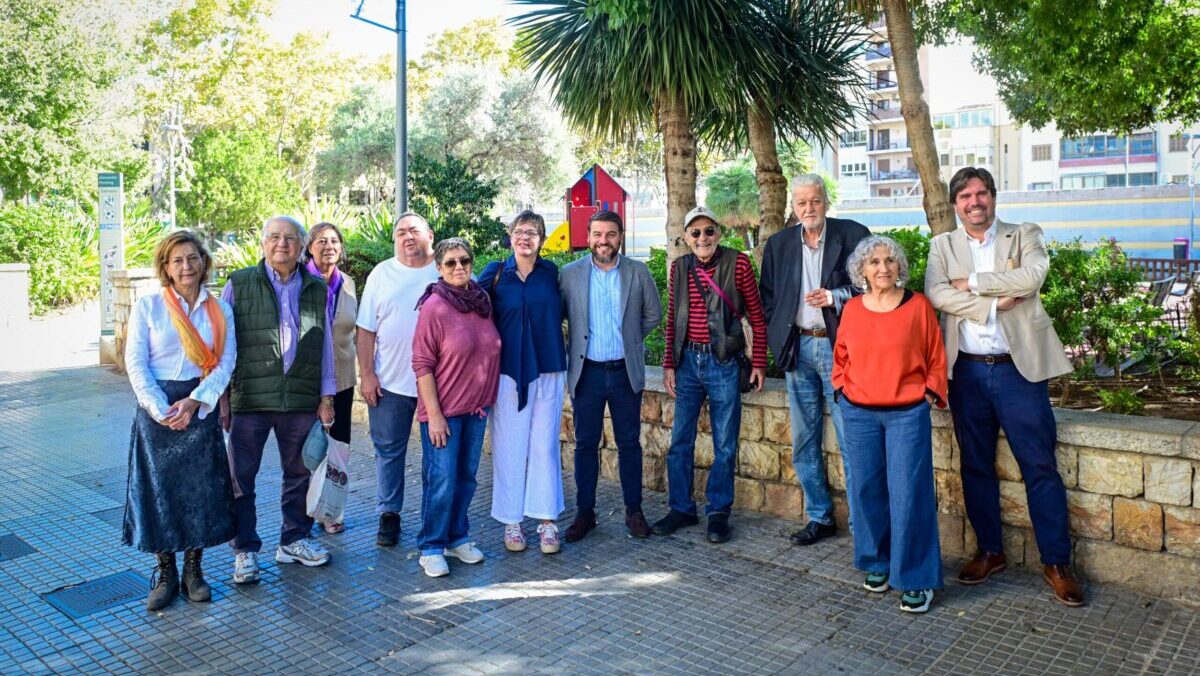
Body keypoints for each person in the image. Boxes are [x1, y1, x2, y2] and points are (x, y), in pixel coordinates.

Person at [925, 166, 1083, 607]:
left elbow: (1032, 278)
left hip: (1019, 372)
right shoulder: (942, 246)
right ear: (956, 204)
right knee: (975, 466)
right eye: (965, 197)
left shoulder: (1024, 233)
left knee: (1039, 466)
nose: (974, 203)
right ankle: (990, 551)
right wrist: (994, 305)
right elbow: (938, 294)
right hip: (968, 374)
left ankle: (1056, 562)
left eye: (981, 194)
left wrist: (973, 284)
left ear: (993, 197)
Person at [833, 235, 947, 614]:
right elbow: (841, 355)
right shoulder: (852, 309)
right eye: (874, 262)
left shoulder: (918, 307)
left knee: (908, 494)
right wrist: (840, 388)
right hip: (859, 413)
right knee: (865, 490)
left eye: (889, 261)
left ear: (900, 267)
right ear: (861, 270)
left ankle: (915, 578)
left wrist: (929, 394)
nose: (883, 268)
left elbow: (935, 355)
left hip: (906, 414)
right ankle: (876, 561)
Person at [123, 231, 236, 611]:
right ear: (165, 268)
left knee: (198, 493)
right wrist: (162, 409)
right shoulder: (149, 307)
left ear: (204, 262)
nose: (186, 266)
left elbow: (225, 363)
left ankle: (193, 571)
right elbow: (135, 363)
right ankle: (166, 572)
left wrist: (195, 402)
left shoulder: (219, 310)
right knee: (162, 493)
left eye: (192, 258)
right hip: (157, 412)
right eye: (177, 261)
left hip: (198, 406)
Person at [222, 215, 337, 584]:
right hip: (250, 398)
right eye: (274, 237)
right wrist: (223, 399)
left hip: (301, 399)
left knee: (299, 473)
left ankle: (294, 540)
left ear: (302, 245)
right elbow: (223, 348)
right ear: (262, 243)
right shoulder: (238, 284)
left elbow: (327, 346)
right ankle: (244, 551)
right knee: (241, 478)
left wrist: (327, 396)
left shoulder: (317, 288)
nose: (282, 244)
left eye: (290, 238)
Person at [759, 173, 869, 547]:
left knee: (850, 438)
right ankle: (820, 517)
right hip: (798, 349)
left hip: (840, 350)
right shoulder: (779, 244)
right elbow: (768, 297)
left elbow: (875, 285)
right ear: (794, 205)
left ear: (826, 201)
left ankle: (862, 525)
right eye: (802, 203)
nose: (809, 208)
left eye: (815, 201)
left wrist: (836, 296)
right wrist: (780, 339)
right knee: (805, 440)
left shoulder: (853, 235)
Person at [653, 206, 767, 544]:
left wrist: (758, 361)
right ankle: (681, 508)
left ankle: (718, 512)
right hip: (688, 363)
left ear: (718, 233)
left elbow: (756, 316)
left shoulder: (739, 263)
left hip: (724, 363)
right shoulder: (679, 267)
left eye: (708, 231)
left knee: (725, 444)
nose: (702, 238)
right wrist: (669, 364)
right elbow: (674, 318)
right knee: (680, 442)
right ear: (686, 238)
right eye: (695, 233)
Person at [560, 211, 663, 542]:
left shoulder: (637, 271)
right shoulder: (570, 274)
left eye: (611, 234)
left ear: (621, 236)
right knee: (585, 444)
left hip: (623, 372)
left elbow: (653, 314)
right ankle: (585, 513)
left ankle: (634, 511)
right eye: (598, 234)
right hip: (586, 372)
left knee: (629, 444)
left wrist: (631, 339)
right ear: (588, 236)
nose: (604, 240)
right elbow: (557, 316)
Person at [410, 239, 502, 577]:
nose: (459, 267)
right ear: (438, 268)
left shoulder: (481, 302)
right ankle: (431, 544)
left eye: (464, 260)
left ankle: (456, 536)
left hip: (476, 409)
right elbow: (422, 364)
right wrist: (434, 415)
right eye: (450, 263)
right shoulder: (434, 307)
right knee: (442, 479)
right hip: (443, 413)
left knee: (466, 478)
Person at [480, 210, 568, 555]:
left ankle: (546, 521)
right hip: (507, 371)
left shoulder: (551, 273)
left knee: (544, 445)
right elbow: (469, 303)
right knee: (509, 445)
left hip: (548, 366)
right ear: (510, 236)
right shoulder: (496, 272)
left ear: (542, 240)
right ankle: (512, 520)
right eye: (519, 231)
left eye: (532, 232)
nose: (525, 238)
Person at [356, 212, 440, 547]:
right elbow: (366, 330)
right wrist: (368, 375)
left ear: (429, 235)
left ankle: (433, 515)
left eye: (414, 231)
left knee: (437, 454)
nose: (407, 237)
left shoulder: (447, 266)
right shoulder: (382, 273)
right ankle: (389, 514)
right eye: (401, 232)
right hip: (390, 384)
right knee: (388, 451)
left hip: (438, 385)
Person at [304, 221, 357, 535]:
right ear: (309, 247)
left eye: (335, 241)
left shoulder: (347, 283)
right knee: (307, 447)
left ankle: (330, 510)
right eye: (321, 241)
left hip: (343, 379)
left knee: (339, 446)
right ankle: (303, 512)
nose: (329, 246)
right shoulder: (299, 281)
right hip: (307, 379)